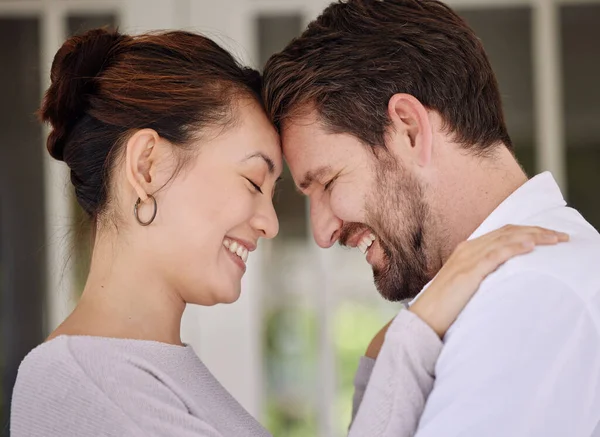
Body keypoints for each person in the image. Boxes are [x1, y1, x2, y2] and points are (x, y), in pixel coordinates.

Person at [10, 28, 567, 437]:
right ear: (148, 165)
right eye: (254, 180)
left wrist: (378, 372)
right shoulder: (72, 382)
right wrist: (413, 337)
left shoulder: (148, 370)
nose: (271, 223)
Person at [262, 0, 600, 436]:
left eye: (326, 183)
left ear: (409, 129)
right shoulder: (508, 293)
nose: (323, 232)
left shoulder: (529, 299)